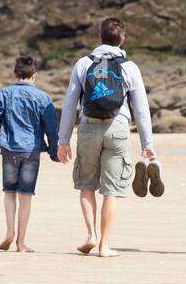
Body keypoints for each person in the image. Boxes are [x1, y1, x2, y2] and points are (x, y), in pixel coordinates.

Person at [56, 18, 156, 257]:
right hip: (117, 128)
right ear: (122, 39)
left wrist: (63, 140)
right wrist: (147, 145)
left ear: (99, 38)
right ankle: (104, 245)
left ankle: (90, 234)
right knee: (111, 190)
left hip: (89, 128)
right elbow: (141, 109)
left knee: (86, 184)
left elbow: (70, 104)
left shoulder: (83, 63)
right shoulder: (129, 67)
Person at [0, 55, 59, 253]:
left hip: (9, 149)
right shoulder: (43, 97)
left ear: (15, 74)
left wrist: (0, 131)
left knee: (9, 192)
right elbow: (51, 128)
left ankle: (9, 231)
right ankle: (21, 242)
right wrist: (53, 152)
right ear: (35, 74)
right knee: (26, 196)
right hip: (31, 151)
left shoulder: (4, 93)